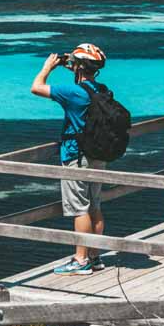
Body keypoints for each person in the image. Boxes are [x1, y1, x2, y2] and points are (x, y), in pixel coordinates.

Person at [31, 43, 108, 275]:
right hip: (98, 155)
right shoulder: (101, 89)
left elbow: (36, 87)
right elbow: (83, 83)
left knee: (79, 209)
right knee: (95, 207)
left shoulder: (73, 92)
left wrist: (48, 68)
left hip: (77, 156)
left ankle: (81, 260)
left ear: (79, 66)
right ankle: (95, 257)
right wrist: (74, 66)